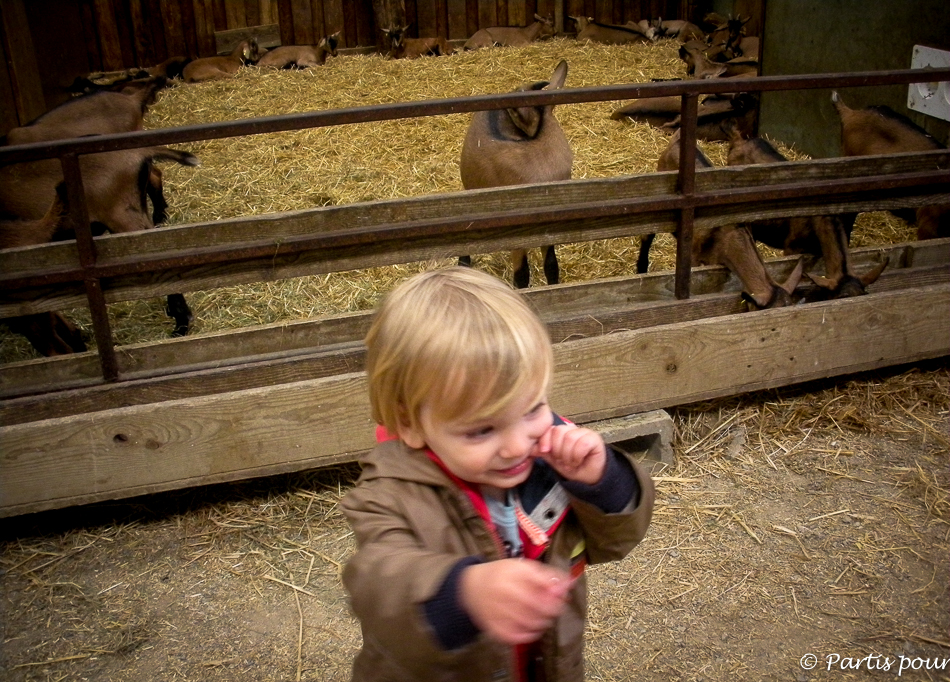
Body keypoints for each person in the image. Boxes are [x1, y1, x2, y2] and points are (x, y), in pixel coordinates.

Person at [341, 266, 655, 682]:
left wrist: (602, 481)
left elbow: (614, 543)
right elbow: (377, 585)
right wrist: (464, 593)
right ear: (412, 423)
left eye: (531, 409)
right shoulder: (389, 494)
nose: (516, 445)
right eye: (481, 429)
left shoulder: (551, 460)